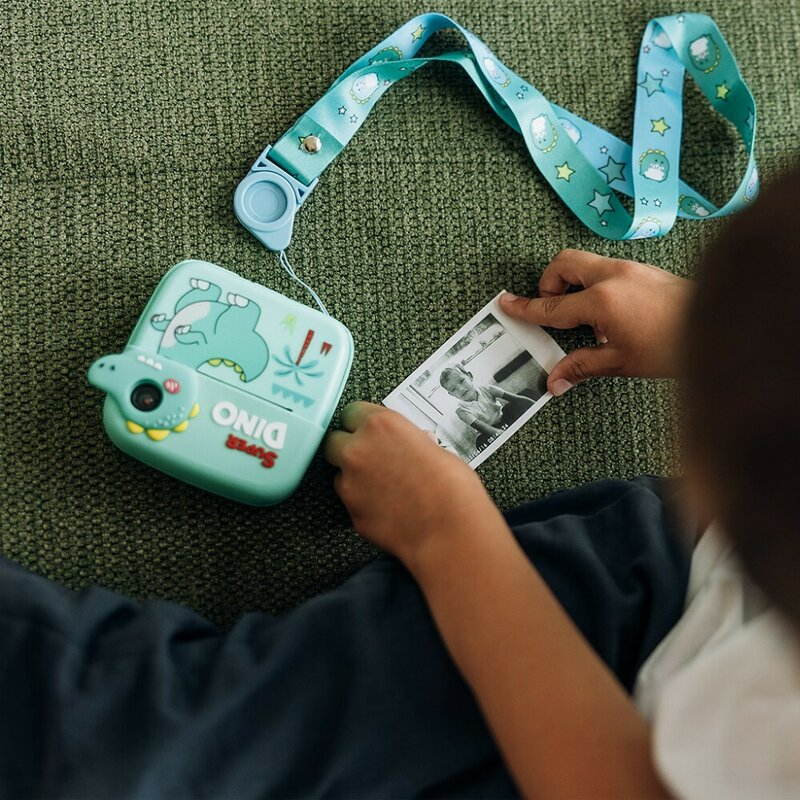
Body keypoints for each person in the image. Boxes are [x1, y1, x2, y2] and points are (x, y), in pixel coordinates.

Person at [2, 166, 798, 798]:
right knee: (159, 754)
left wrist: (445, 534)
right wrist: (724, 333)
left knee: (144, 766)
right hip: (675, 594)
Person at [438, 364, 534, 445]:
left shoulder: (487, 389)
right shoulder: (461, 411)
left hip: (504, 416)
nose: (461, 389)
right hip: (490, 430)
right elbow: (484, 428)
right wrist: (505, 436)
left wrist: (534, 405)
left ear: (470, 376)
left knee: (525, 394)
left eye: (461, 381)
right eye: (454, 389)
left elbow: (516, 399)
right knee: (480, 441)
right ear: (452, 394)